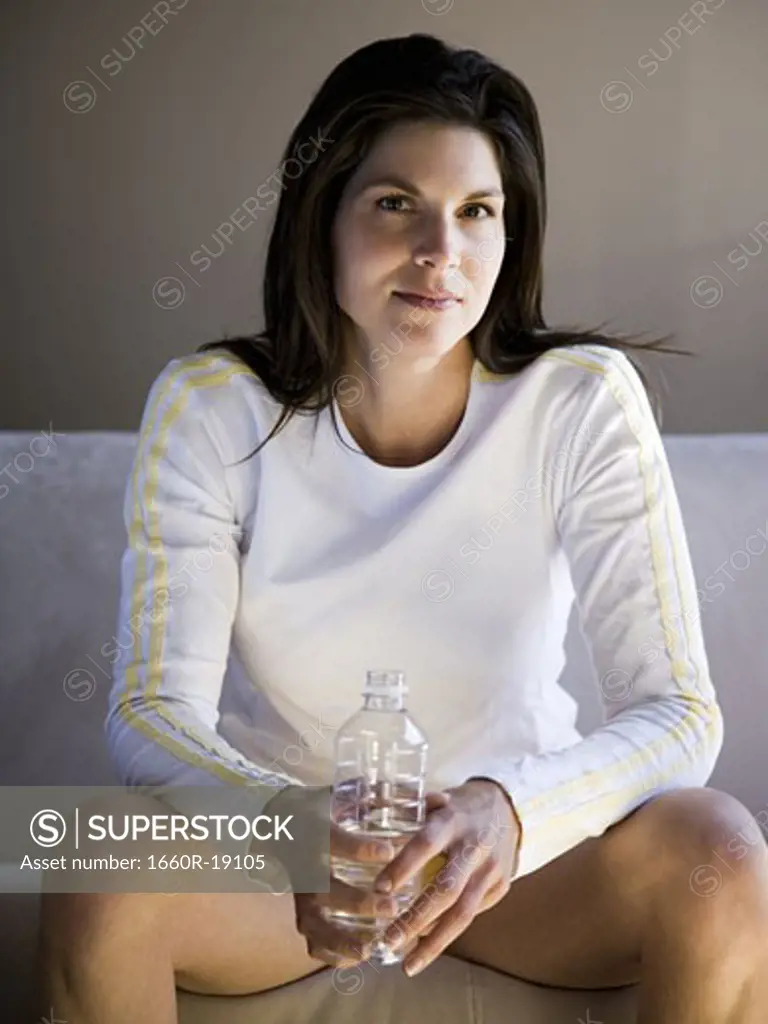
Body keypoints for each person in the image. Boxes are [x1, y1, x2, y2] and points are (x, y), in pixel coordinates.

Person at [39, 33, 768, 1024]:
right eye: (396, 205)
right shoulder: (210, 407)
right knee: (85, 855)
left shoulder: (581, 401)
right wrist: (289, 828)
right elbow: (150, 711)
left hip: (523, 868)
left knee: (722, 851)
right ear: (322, 217)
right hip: (292, 873)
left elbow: (681, 711)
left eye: (477, 212)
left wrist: (513, 808)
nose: (442, 253)